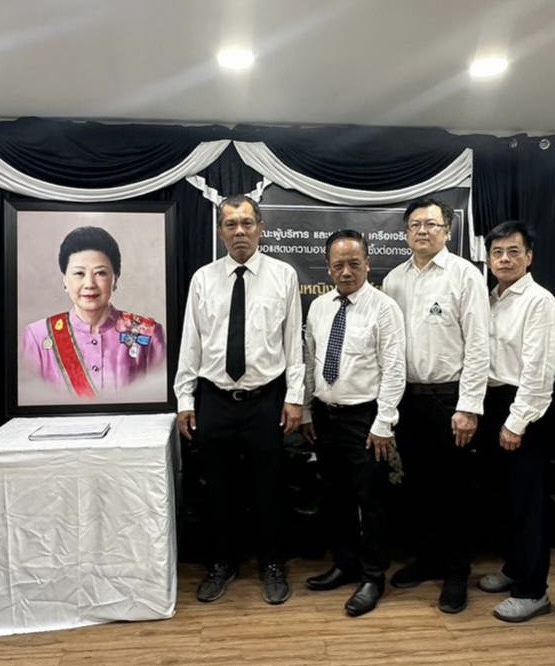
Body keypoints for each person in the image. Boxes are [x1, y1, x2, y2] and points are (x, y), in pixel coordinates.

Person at [175, 195, 304, 605]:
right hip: (214, 398)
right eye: (231, 225)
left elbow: (293, 343)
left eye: (247, 223)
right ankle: (222, 563)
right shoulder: (203, 279)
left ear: (261, 228)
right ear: (220, 232)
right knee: (218, 488)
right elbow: (191, 342)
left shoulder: (283, 276)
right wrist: (185, 399)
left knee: (270, 487)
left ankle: (272, 563)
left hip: (266, 399)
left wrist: (295, 397)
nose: (240, 232)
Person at [382, 197, 489, 614]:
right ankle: (428, 560)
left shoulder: (465, 275)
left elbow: (478, 344)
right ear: (406, 233)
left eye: (431, 224)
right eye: (415, 225)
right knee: (419, 487)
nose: (422, 231)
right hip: (409, 399)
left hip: (451, 399)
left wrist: (469, 406)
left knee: (456, 492)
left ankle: (457, 573)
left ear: (447, 230)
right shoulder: (394, 280)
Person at [301, 230, 406, 617]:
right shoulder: (319, 307)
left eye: (354, 264)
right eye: (339, 265)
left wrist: (384, 422)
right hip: (326, 415)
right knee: (336, 497)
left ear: (368, 264)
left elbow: (394, 369)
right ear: (328, 268)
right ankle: (345, 565)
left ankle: (373, 576)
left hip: (366, 419)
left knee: (371, 501)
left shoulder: (384, 308)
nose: (346, 271)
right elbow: (309, 361)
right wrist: (308, 410)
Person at [474, 222, 555, 623]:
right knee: (506, 498)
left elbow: (539, 371)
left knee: (529, 504)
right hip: (492, 403)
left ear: (529, 257)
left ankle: (533, 591)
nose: (504, 259)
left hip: (524, 408)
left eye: (513, 252)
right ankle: (514, 568)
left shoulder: (539, 302)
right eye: (497, 253)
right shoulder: (489, 299)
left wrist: (517, 421)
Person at [22, 225, 165, 397]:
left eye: (100, 273)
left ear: (115, 279)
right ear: (65, 280)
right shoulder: (38, 336)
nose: (89, 284)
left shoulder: (149, 334)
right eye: (79, 273)